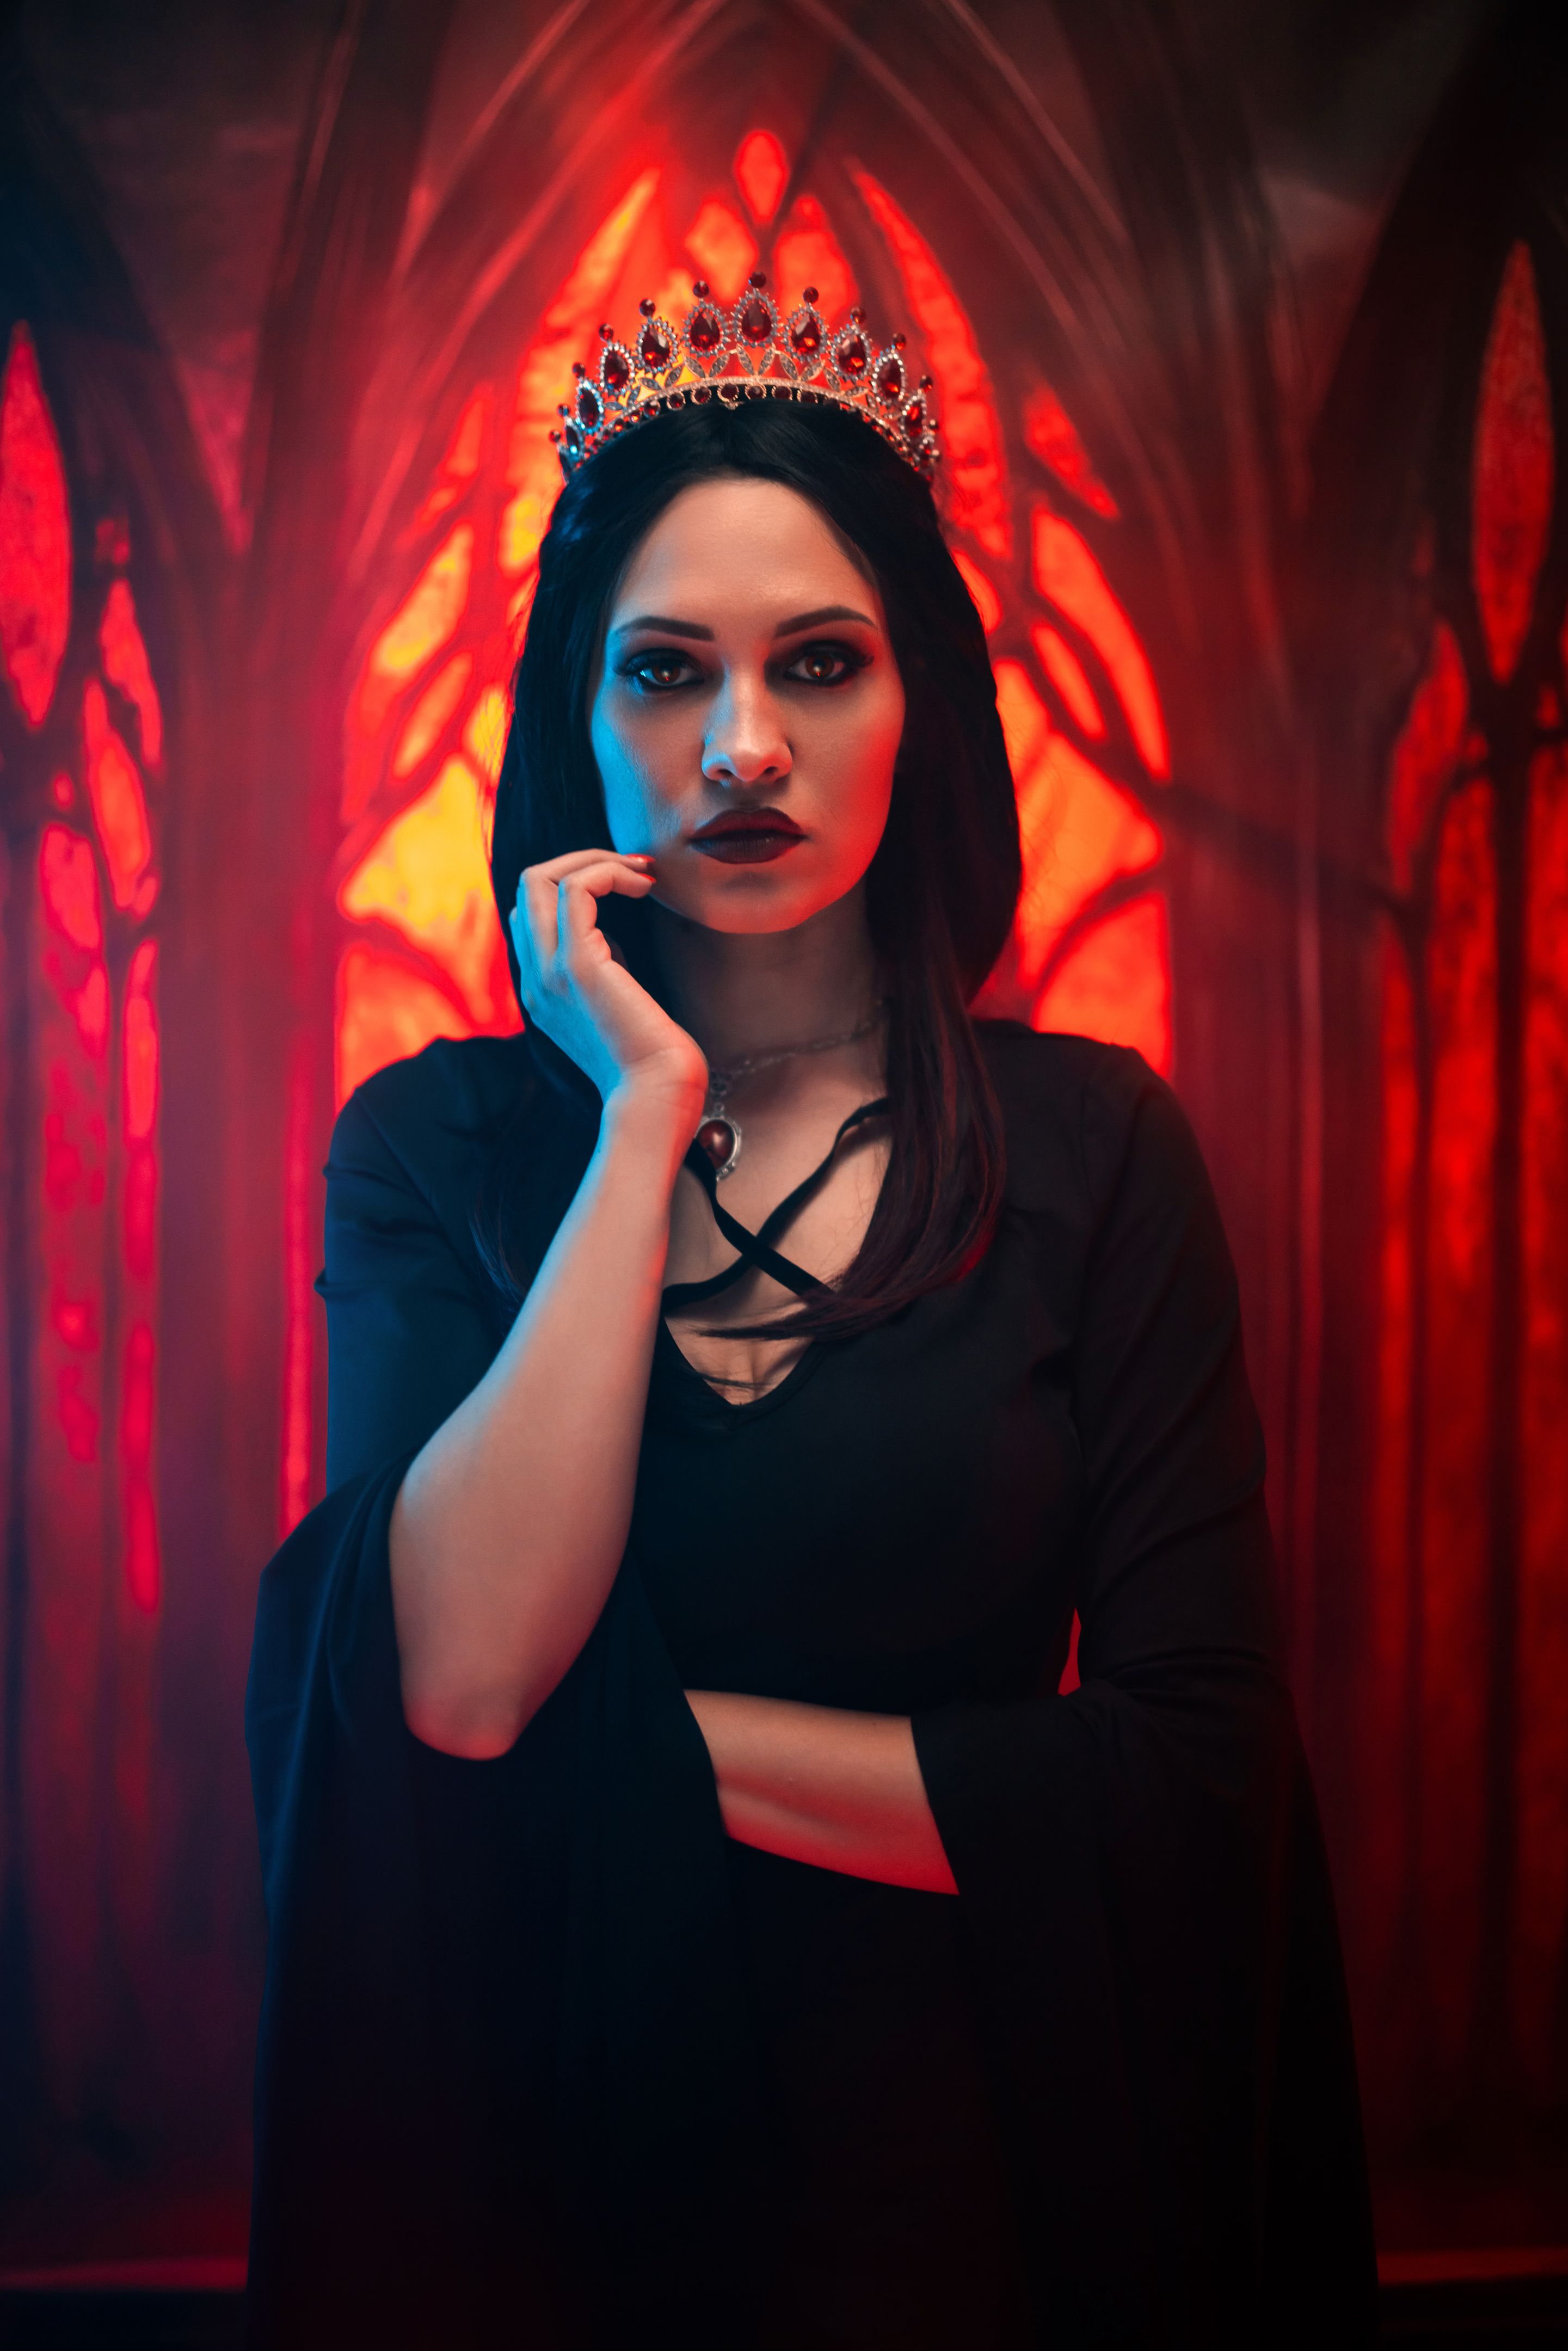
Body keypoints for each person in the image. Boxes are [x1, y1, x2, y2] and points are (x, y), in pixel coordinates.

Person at [245, 285, 1378, 2349]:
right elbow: (469, 1680)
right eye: (666, 672)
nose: (741, 746)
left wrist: (633, 1770)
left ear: (918, 699)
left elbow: (1191, 1777)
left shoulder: (1096, 1148)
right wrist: (640, 1112)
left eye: (820, 665)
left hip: (978, 2204)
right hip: (542, 2204)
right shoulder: (437, 1148)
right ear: (580, 725)